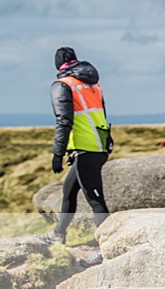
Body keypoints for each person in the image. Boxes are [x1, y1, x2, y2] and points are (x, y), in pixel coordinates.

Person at [38, 47, 112, 268]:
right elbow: (101, 113)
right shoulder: (92, 83)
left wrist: (58, 152)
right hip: (98, 145)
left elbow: (64, 120)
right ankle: (58, 233)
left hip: (85, 148)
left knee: (96, 201)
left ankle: (106, 250)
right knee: (69, 190)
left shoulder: (63, 85)